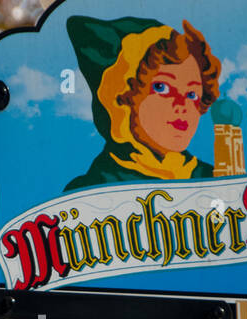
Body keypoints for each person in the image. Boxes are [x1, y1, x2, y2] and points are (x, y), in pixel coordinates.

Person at [64, 15, 221, 191]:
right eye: (162, 88)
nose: (182, 105)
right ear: (121, 99)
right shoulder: (90, 190)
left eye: (192, 94)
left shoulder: (214, 179)